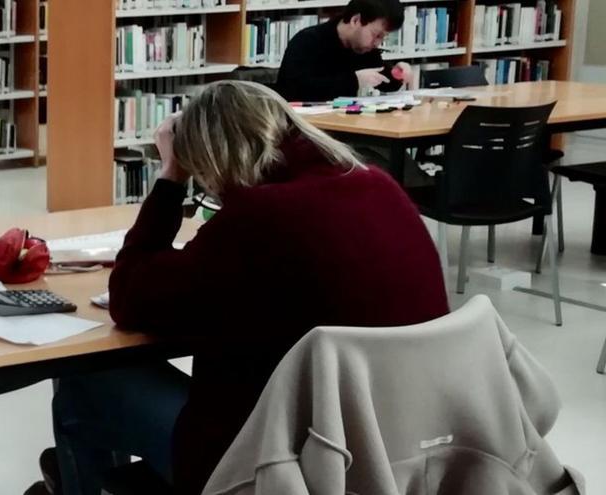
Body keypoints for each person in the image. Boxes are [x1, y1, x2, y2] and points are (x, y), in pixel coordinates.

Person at [49, 81, 449, 495]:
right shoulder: (378, 185)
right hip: (398, 448)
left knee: (85, 383)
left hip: (276, 466)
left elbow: (130, 298)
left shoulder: (259, 217)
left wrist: (171, 176)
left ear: (211, 157)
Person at [276, 0, 412, 102]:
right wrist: (355, 81)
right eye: (376, 35)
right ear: (355, 20)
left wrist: (398, 74)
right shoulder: (308, 40)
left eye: (383, 37)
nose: (377, 43)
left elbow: (382, 80)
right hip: (306, 128)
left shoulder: (364, 48)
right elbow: (291, 90)